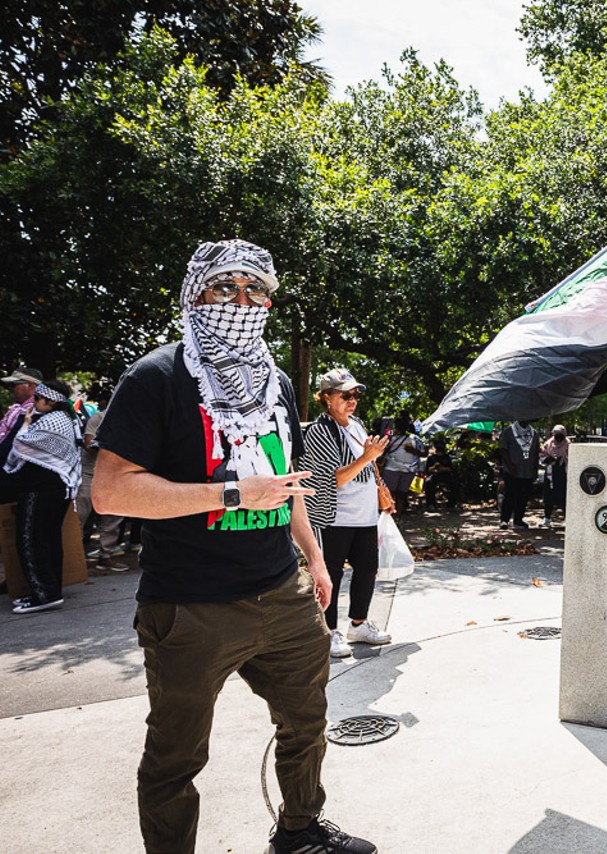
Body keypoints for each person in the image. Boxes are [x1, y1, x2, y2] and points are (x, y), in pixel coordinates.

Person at [92, 239, 375, 853]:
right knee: (176, 755)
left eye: (256, 291)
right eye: (225, 288)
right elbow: (112, 492)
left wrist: (315, 556)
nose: (241, 302)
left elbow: (286, 480)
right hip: (191, 606)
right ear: (197, 293)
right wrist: (229, 495)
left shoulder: (272, 379)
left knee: (306, 722)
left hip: (283, 592)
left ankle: (299, 831)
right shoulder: (158, 376)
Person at [300, 367, 393, 659]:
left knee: (367, 569)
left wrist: (382, 491)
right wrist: (367, 456)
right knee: (330, 576)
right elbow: (334, 478)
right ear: (326, 398)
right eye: (345, 395)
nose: (352, 400)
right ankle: (327, 632)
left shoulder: (357, 424)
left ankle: (359, 624)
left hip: (364, 516)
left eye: (355, 395)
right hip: (333, 517)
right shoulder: (319, 431)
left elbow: (369, 466)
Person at [5, 379, 81, 613]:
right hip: (55, 488)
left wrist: (26, 423)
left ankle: (44, 594)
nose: (34, 402)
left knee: (32, 540)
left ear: (50, 401)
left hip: (42, 489)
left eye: (38, 398)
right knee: (47, 540)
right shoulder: (63, 418)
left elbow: (22, 447)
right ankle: (49, 590)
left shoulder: (51, 421)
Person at [79, 400, 128, 572]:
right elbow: (88, 444)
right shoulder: (98, 418)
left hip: (115, 475)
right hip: (90, 474)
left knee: (112, 519)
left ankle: (105, 556)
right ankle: (72, 559)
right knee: (80, 517)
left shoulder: (129, 420)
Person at [0, 366, 43, 504]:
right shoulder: (19, 409)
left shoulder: (35, 412)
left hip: (15, 480)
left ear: (30, 385)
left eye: (15, 384)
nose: (12, 389)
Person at [379, 411, 427, 515]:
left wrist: (413, 451)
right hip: (397, 470)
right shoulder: (391, 438)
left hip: (402, 470)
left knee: (397, 494)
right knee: (394, 494)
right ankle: (391, 515)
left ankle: (395, 515)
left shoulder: (413, 438)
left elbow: (424, 453)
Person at [498, 419, 539, 529]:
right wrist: (510, 465)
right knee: (510, 496)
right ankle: (504, 520)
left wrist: (535, 470)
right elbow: (503, 449)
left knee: (523, 497)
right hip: (512, 471)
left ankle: (518, 520)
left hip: (527, 471)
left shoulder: (534, 433)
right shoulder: (509, 431)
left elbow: (536, 452)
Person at [540, 424, 570, 527]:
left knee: (564, 496)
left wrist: (563, 459)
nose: (559, 438)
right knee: (549, 496)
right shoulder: (548, 444)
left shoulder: (568, 444)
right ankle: (547, 518)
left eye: (561, 435)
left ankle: (567, 519)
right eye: (557, 435)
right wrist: (550, 459)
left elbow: (572, 457)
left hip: (563, 473)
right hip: (550, 472)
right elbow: (542, 458)